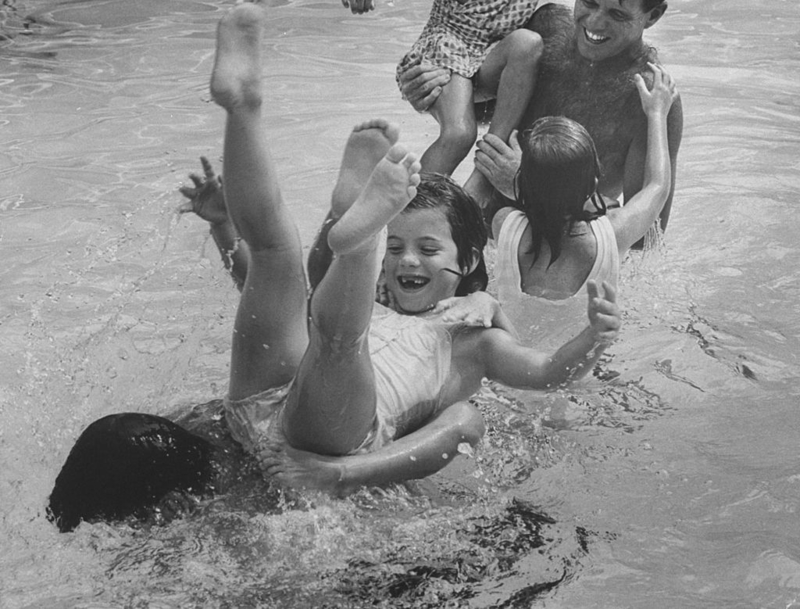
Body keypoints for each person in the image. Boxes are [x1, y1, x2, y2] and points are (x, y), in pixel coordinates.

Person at [49, 0, 621, 531]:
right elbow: (259, 291)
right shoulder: (387, 306)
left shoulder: (475, 340)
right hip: (303, 419)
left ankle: (264, 127)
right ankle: (245, 109)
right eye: (394, 248)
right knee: (290, 282)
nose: (407, 262)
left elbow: (549, 372)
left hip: (306, 429)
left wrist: (594, 336)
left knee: (313, 305)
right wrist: (224, 225)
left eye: (425, 249)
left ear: (468, 260)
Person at [398, 0, 683, 235]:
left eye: (617, 14)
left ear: (653, 16)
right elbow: (479, 103)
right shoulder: (546, 29)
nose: (595, 23)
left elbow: (645, 238)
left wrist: (528, 186)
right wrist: (427, 87)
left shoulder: (648, 99)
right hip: (482, 231)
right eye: (589, 3)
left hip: (556, 253)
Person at [493, 61, 677, 304]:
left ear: (521, 181)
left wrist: (522, 183)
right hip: (591, 341)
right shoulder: (613, 234)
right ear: (594, 181)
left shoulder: (503, 223)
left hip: (510, 340)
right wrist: (657, 114)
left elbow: (538, 205)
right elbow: (657, 185)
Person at [394, 0, 550, 203]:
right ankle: (407, 215)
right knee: (459, 134)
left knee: (527, 43)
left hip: (486, 52)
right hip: (448, 46)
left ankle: (484, 175)